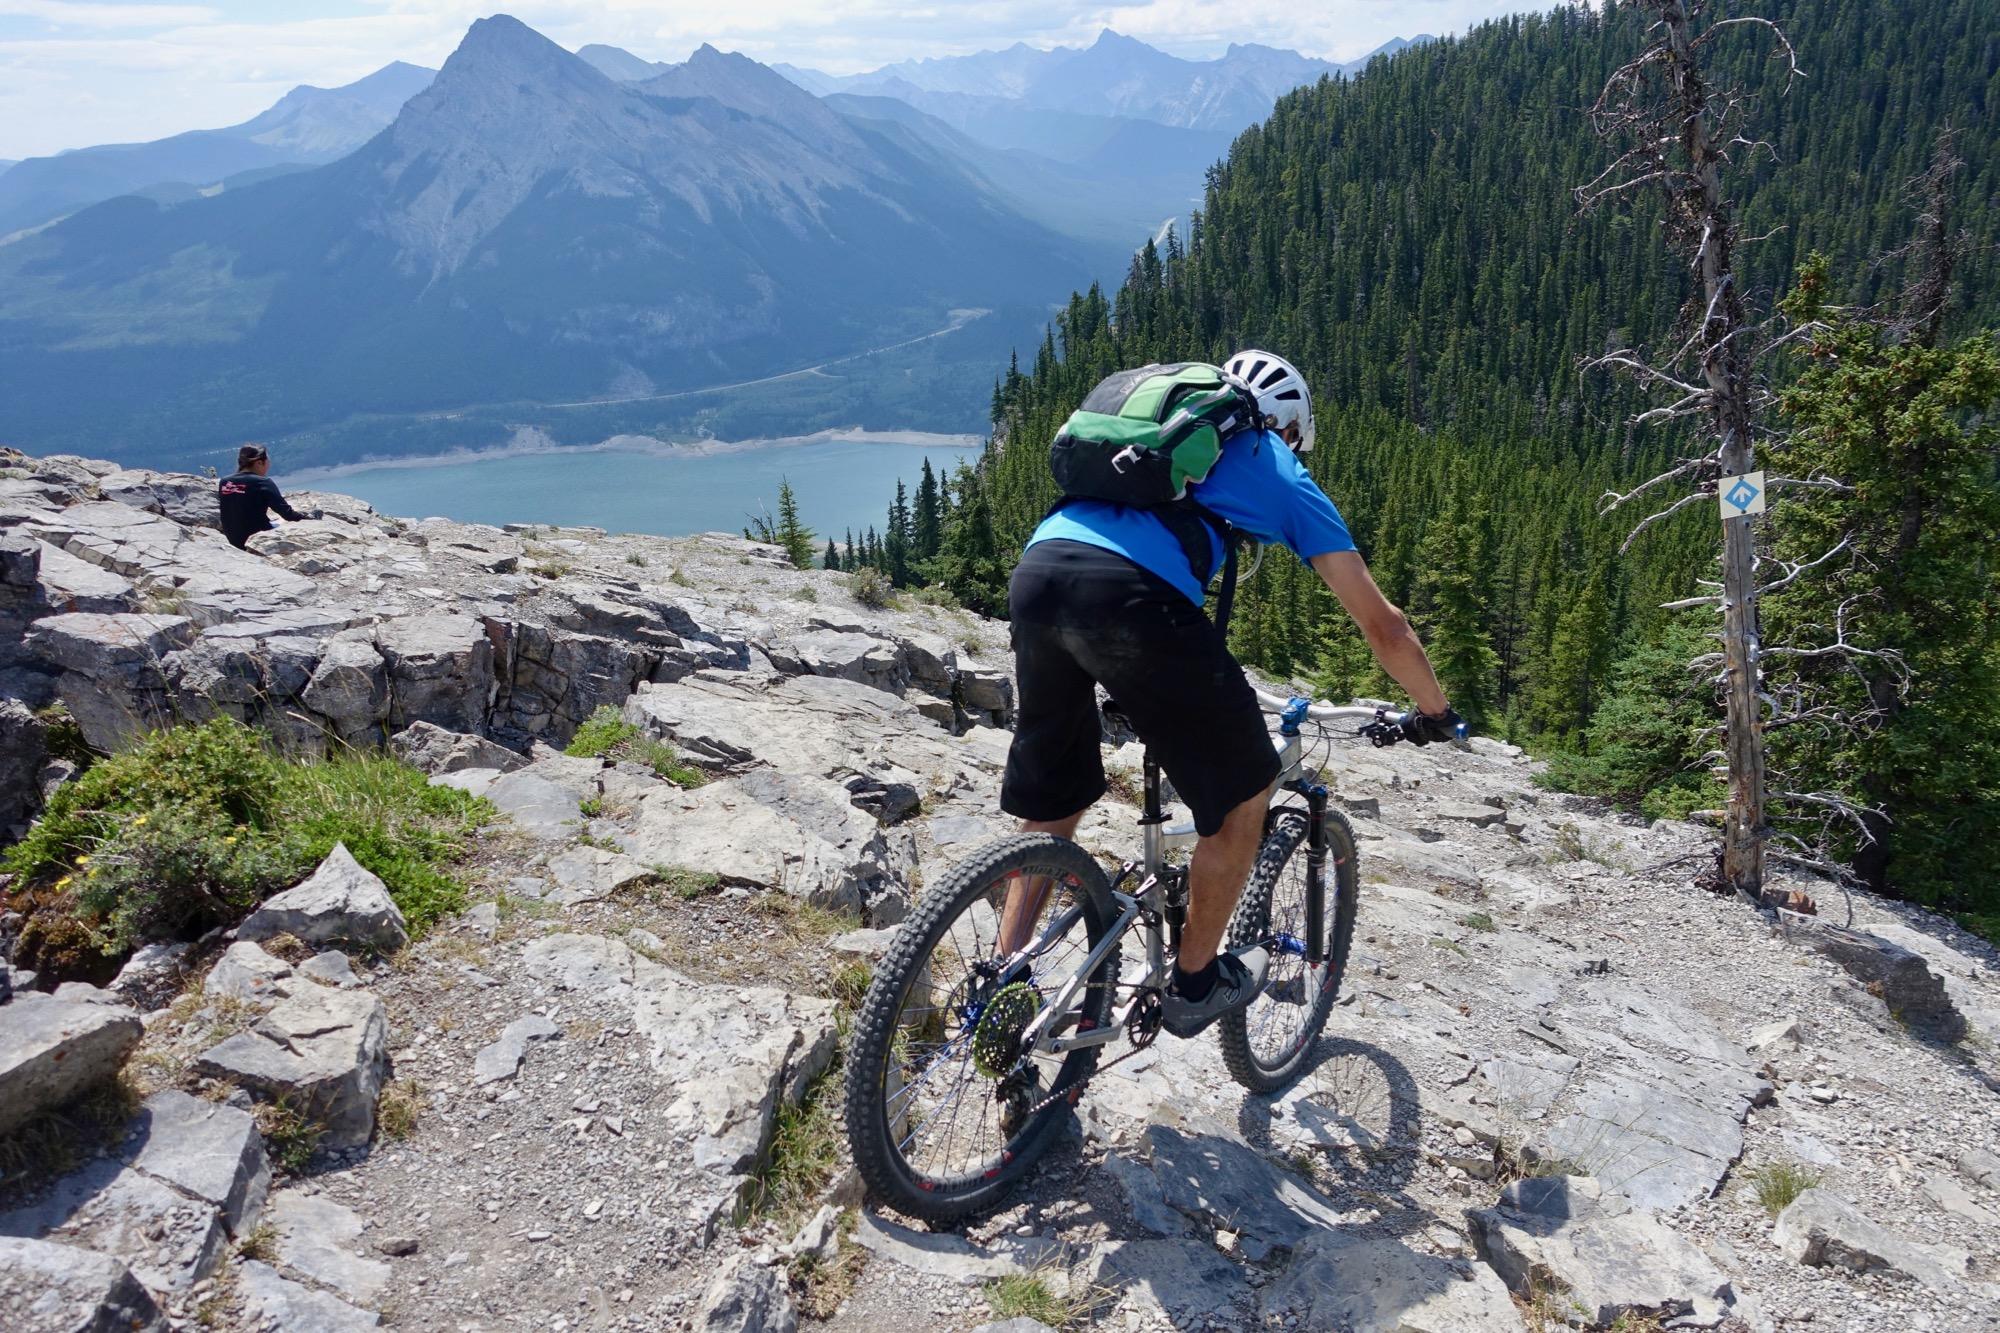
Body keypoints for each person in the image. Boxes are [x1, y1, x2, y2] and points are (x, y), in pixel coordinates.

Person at [998, 349, 1463, 1038]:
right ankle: (1193, 983)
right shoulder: (1272, 462)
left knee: (1056, 793)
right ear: (1286, 426)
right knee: (1248, 790)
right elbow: (1384, 626)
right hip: (1131, 601)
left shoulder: (1149, 435)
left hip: (1039, 573)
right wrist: (1436, 710)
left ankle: (1004, 979)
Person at [217, 444, 310, 549]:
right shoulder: (262, 482)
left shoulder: (225, 481)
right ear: (259, 462)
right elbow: (288, 515)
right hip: (256, 538)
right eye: (268, 462)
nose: (268, 465)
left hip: (233, 540)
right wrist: (307, 517)